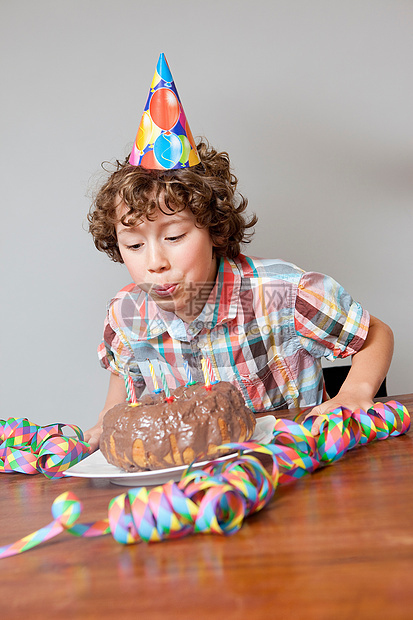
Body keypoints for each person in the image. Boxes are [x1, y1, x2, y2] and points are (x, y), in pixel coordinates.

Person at [84, 54, 393, 452]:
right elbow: (123, 378)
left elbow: (375, 335)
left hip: (293, 472)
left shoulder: (282, 293)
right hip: (194, 486)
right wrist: (103, 424)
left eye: (174, 237)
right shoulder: (126, 315)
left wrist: (353, 394)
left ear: (213, 228)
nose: (155, 262)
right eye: (135, 245)